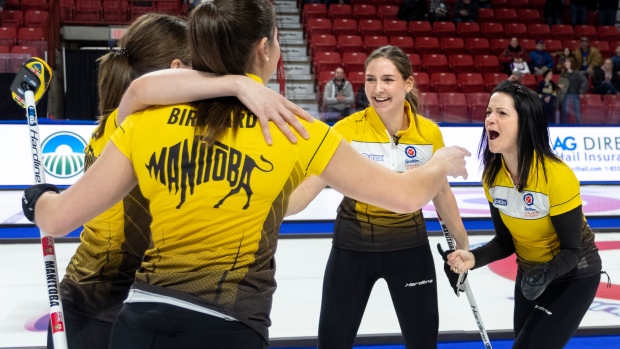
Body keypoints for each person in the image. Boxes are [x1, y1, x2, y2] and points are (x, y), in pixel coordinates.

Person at [21, 1, 470, 348]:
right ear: (264, 48)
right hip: (229, 325)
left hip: (141, 323)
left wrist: (36, 199)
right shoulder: (295, 128)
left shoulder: (142, 118)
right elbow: (406, 196)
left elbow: (56, 219)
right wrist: (440, 163)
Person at [45, 12, 315, 349]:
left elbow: (260, 206)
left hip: (108, 303)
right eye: (202, 69)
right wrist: (237, 82)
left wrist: (317, 176)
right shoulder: (144, 128)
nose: (211, 74)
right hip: (106, 312)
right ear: (177, 71)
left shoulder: (119, 123)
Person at [287, 45, 470, 349]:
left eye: (387, 79)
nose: (377, 88)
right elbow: (309, 186)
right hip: (353, 247)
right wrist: (267, 209)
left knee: (423, 343)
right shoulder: (346, 130)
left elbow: (441, 194)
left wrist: (463, 247)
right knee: (333, 343)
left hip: (409, 247)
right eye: (370, 80)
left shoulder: (429, 134)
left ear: (408, 83)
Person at [445, 80, 602, 349]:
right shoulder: (492, 176)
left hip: (574, 275)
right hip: (530, 274)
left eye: (502, 113)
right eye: (488, 112)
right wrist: (472, 258)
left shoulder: (556, 175)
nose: (490, 119)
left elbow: (572, 250)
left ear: (525, 123)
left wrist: (545, 274)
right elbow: (506, 242)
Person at [560, 57, 587, 123]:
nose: (566, 63)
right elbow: (560, 83)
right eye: (565, 62)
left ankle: (579, 127)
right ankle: (564, 127)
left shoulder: (577, 74)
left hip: (575, 95)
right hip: (565, 95)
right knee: (564, 113)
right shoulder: (564, 74)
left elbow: (585, 81)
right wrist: (560, 85)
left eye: (568, 62)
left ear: (571, 63)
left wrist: (581, 91)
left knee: (577, 113)